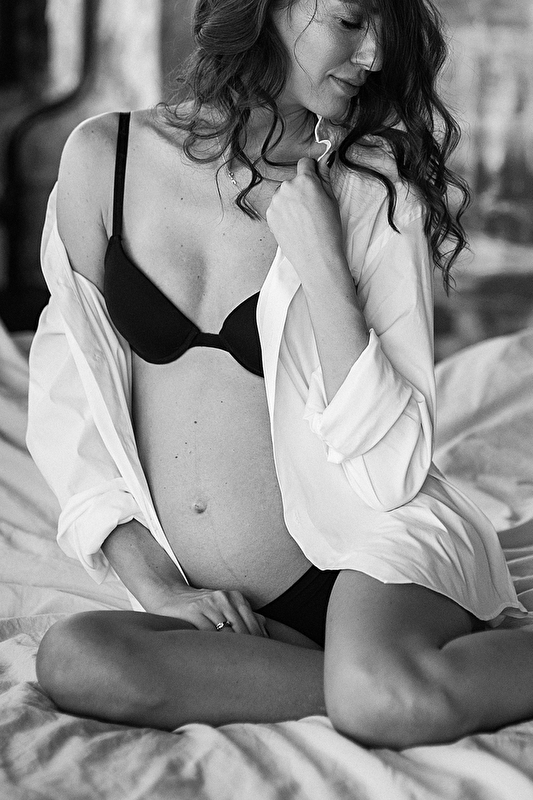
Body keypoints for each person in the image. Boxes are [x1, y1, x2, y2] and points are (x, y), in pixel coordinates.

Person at [28, 0, 533, 749]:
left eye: (386, 33)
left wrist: (322, 263)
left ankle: (373, 677)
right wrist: (159, 590)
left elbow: (391, 471)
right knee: (77, 659)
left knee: (389, 701)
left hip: (370, 551)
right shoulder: (106, 157)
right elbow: (70, 400)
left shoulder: (369, 184)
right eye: (351, 22)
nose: (373, 56)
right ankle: (353, 678)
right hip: (230, 611)